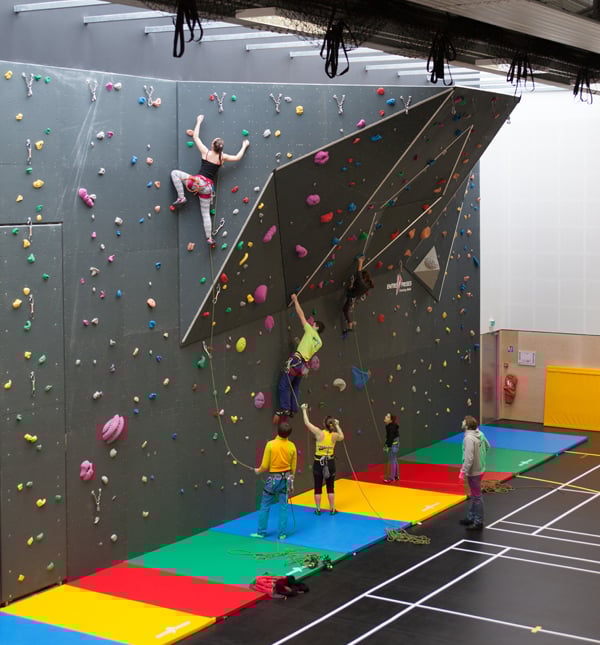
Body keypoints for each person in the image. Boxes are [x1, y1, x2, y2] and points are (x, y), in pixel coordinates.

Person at [170, 114, 249, 247]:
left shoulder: (206, 152)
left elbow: (196, 137)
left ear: (212, 146)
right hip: (207, 189)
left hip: (197, 183)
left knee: (175, 173)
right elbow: (237, 157)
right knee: (206, 214)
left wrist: (199, 121)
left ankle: (182, 197)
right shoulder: (222, 157)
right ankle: (209, 238)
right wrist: (244, 146)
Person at [274, 293, 325, 420]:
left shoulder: (310, 330)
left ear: (316, 327)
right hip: (304, 366)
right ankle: (293, 409)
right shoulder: (320, 343)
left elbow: (301, 314)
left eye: (313, 324)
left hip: (296, 361)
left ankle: (285, 408)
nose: (311, 324)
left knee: (284, 385)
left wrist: (295, 300)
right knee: (295, 386)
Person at [251, 422, 297, 540]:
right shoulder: (292, 446)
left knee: (265, 505)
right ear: (289, 434)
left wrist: (258, 471)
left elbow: (264, 466)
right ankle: (281, 534)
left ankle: (261, 532)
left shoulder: (271, 444)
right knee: (283, 507)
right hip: (286, 479)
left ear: (278, 431)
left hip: (273, 480)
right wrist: (291, 481)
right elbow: (293, 467)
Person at [300, 403, 344, 515]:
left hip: (318, 463)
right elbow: (342, 437)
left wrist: (304, 410)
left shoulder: (319, 433)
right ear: (332, 425)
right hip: (330, 462)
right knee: (330, 487)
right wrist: (338, 425)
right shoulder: (334, 435)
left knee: (318, 486)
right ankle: (332, 509)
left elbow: (307, 423)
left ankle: (318, 509)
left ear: (324, 424)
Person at [459, 415, 491, 530]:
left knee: (477, 497)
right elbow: (487, 446)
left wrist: (463, 471)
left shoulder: (468, 438)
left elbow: (469, 458)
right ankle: (471, 517)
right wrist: (480, 459)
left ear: (467, 426)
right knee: (474, 494)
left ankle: (478, 522)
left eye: (464, 422)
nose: (462, 423)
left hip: (474, 472)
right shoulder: (480, 434)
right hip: (481, 469)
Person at [342, 255, 374, 337]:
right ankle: (349, 322)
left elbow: (359, 272)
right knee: (346, 307)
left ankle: (350, 323)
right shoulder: (367, 285)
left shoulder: (362, 283)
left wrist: (360, 262)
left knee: (345, 309)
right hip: (355, 295)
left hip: (352, 295)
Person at [382, 413, 400, 483]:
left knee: (393, 460)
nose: (385, 417)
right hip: (394, 443)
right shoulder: (389, 426)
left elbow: (391, 438)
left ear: (390, 420)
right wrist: (386, 445)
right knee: (394, 459)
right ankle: (396, 476)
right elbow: (388, 437)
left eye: (387, 416)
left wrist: (387, 447)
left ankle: (392, 478)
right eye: (386, 415)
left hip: (394, 444)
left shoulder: (391, 427)